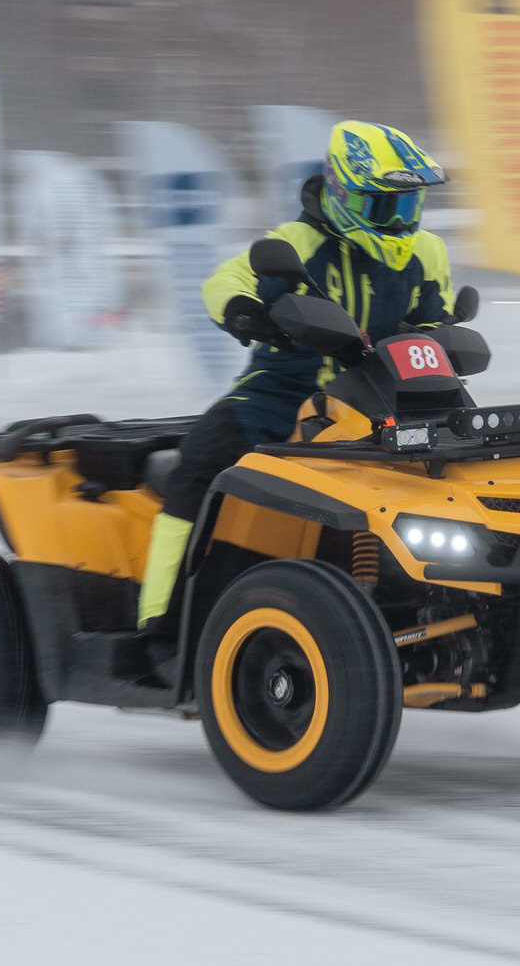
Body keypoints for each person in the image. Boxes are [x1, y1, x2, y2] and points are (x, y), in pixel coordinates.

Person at [136, 119, 457, 634]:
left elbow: (431, 324)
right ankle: (159, 621)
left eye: (409, 206)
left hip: (382, 406)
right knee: (197, 468)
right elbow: (226, 278)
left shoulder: (428, 253)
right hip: (278, 398)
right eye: (384, 207)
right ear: (342, 194)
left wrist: (444, 339)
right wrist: (243, 309)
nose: (401, 222)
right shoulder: (296, 242)